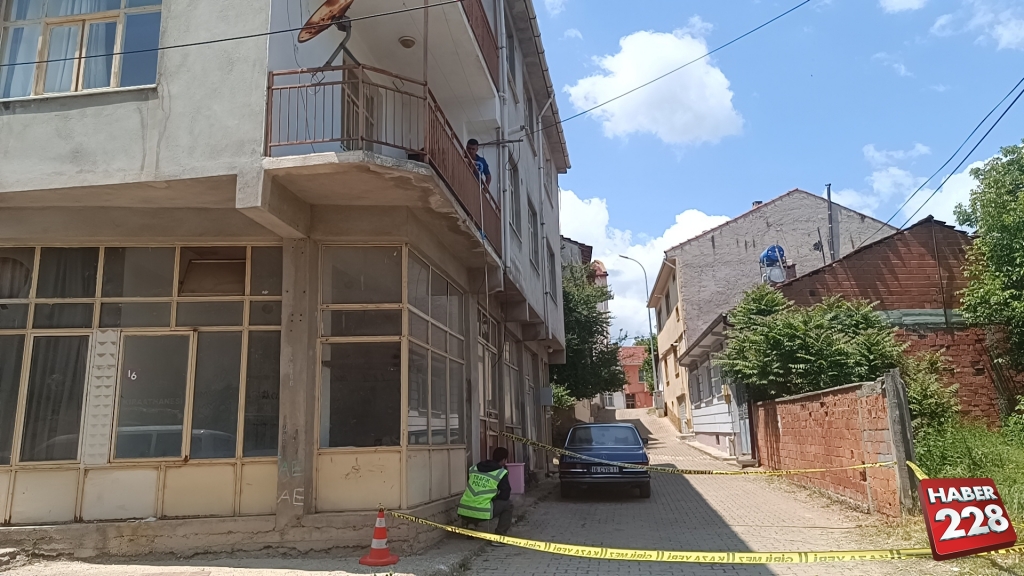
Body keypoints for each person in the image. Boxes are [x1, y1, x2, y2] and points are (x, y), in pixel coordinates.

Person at [457, 446, 513, 546]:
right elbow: (505, 495)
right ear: (504, 460)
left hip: (464, 511)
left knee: (476, 499)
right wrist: (494, 498)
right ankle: (499, 537)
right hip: (482, 512)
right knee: (508, 504)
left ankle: (471, 525)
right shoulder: (500, 473)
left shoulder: (474, 468)